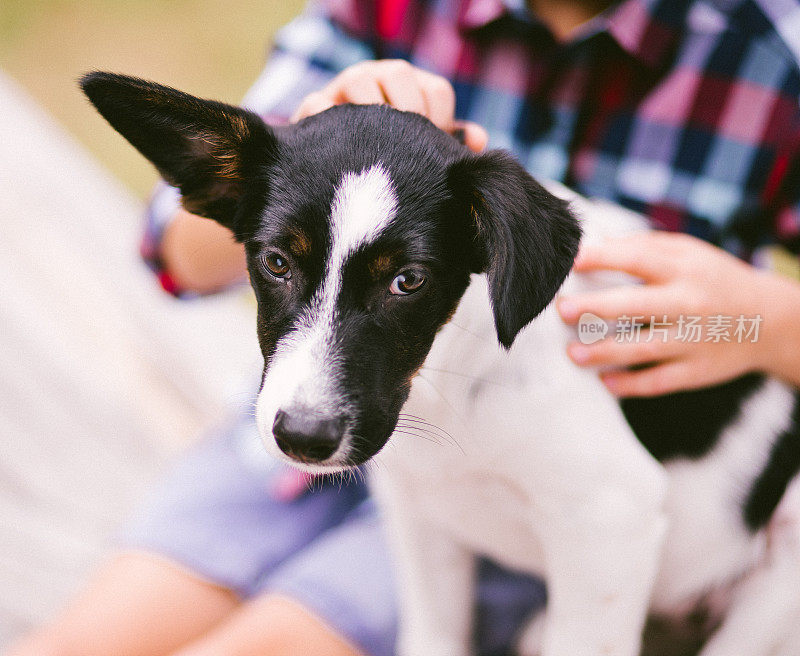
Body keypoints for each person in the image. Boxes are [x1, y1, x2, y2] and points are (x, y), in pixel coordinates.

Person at [10, 0, 800, 654]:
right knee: (89, 635)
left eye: (405, 280)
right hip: (363, 459)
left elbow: (609, 512)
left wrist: (767, 320)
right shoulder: (384, 10)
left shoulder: (773, 56)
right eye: (282, 264)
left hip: (599, 512)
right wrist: (294, 138)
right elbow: (172, 253)